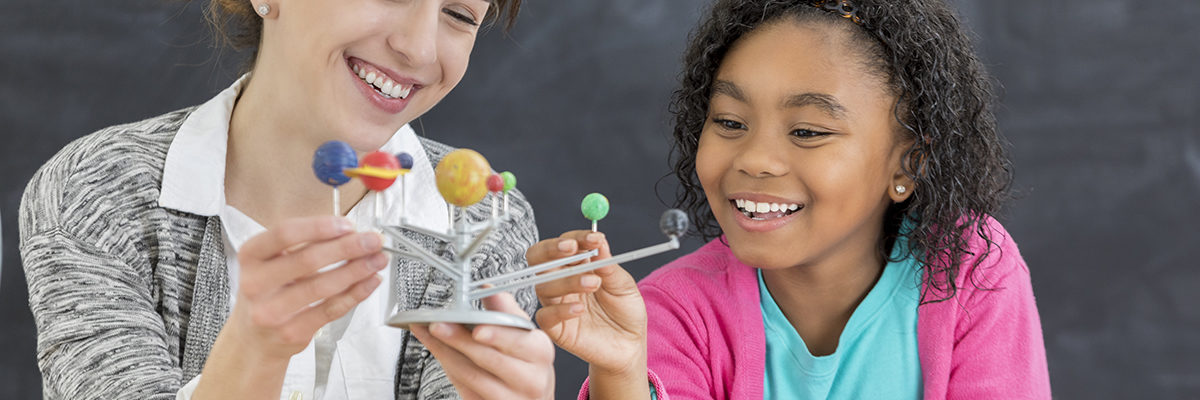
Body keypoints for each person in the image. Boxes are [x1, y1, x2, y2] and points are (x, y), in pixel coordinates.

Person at [18, 0, 557, 399]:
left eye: (460, 15)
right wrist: (254, 352)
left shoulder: (483, 217)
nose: (418, 48)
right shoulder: (99, 189)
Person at [528, 0, 1052, 398]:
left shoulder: (969, 266)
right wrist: (621, 371)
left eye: (807, 131)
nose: (755, 159)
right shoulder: (672, 310)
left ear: (908, 164)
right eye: (730, 122)